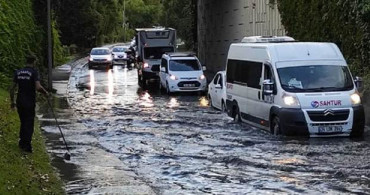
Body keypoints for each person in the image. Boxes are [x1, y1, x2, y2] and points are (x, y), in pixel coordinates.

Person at [9, 54, 48, 153]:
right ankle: (27, 146)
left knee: (23, 122)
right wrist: (45, 93)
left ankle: (22, 143)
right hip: (29, 101)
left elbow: (12, 88)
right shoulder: (34, 72)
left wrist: (12, 102)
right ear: (34, 62)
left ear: (26, 61)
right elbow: (38, 87)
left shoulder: (18, 72)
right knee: (29, 123)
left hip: (20, 101)